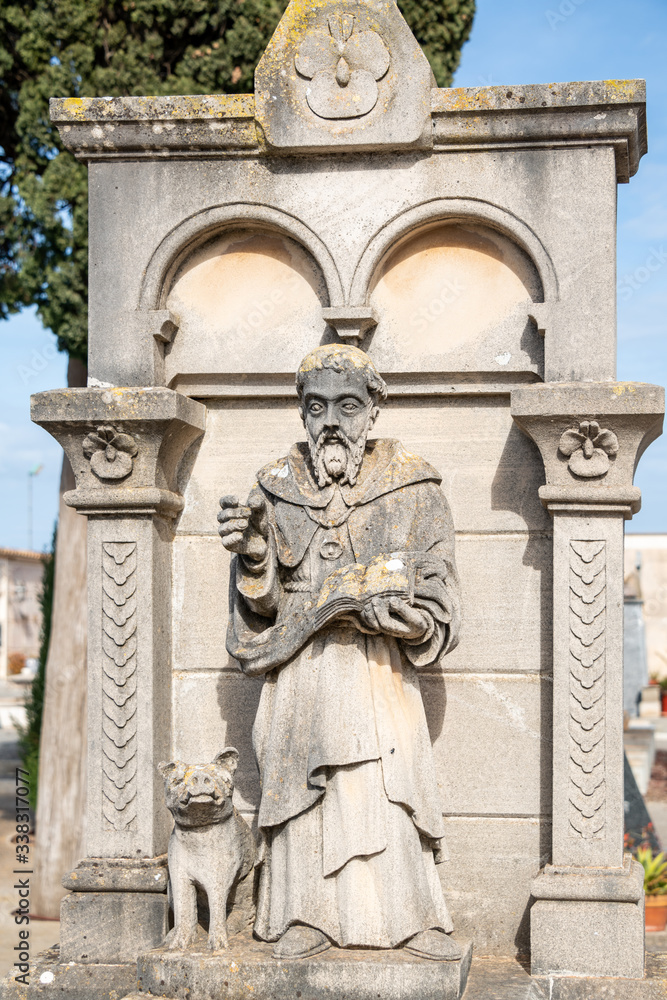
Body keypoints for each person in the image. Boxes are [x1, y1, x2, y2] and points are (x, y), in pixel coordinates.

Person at [218, 343, 461, 961]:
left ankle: (409, 916)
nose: (331, 422)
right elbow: (261, 610)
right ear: (302, 411)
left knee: (386, 785)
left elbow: (443, 593)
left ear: (373, 411)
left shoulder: (414, 485)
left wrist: (414, 621)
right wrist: (254, 557)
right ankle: (306, 914)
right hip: (301, 670)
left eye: (347, 406)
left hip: (379, 670)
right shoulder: (273, 489)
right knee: (306, 789)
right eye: (316, 406)